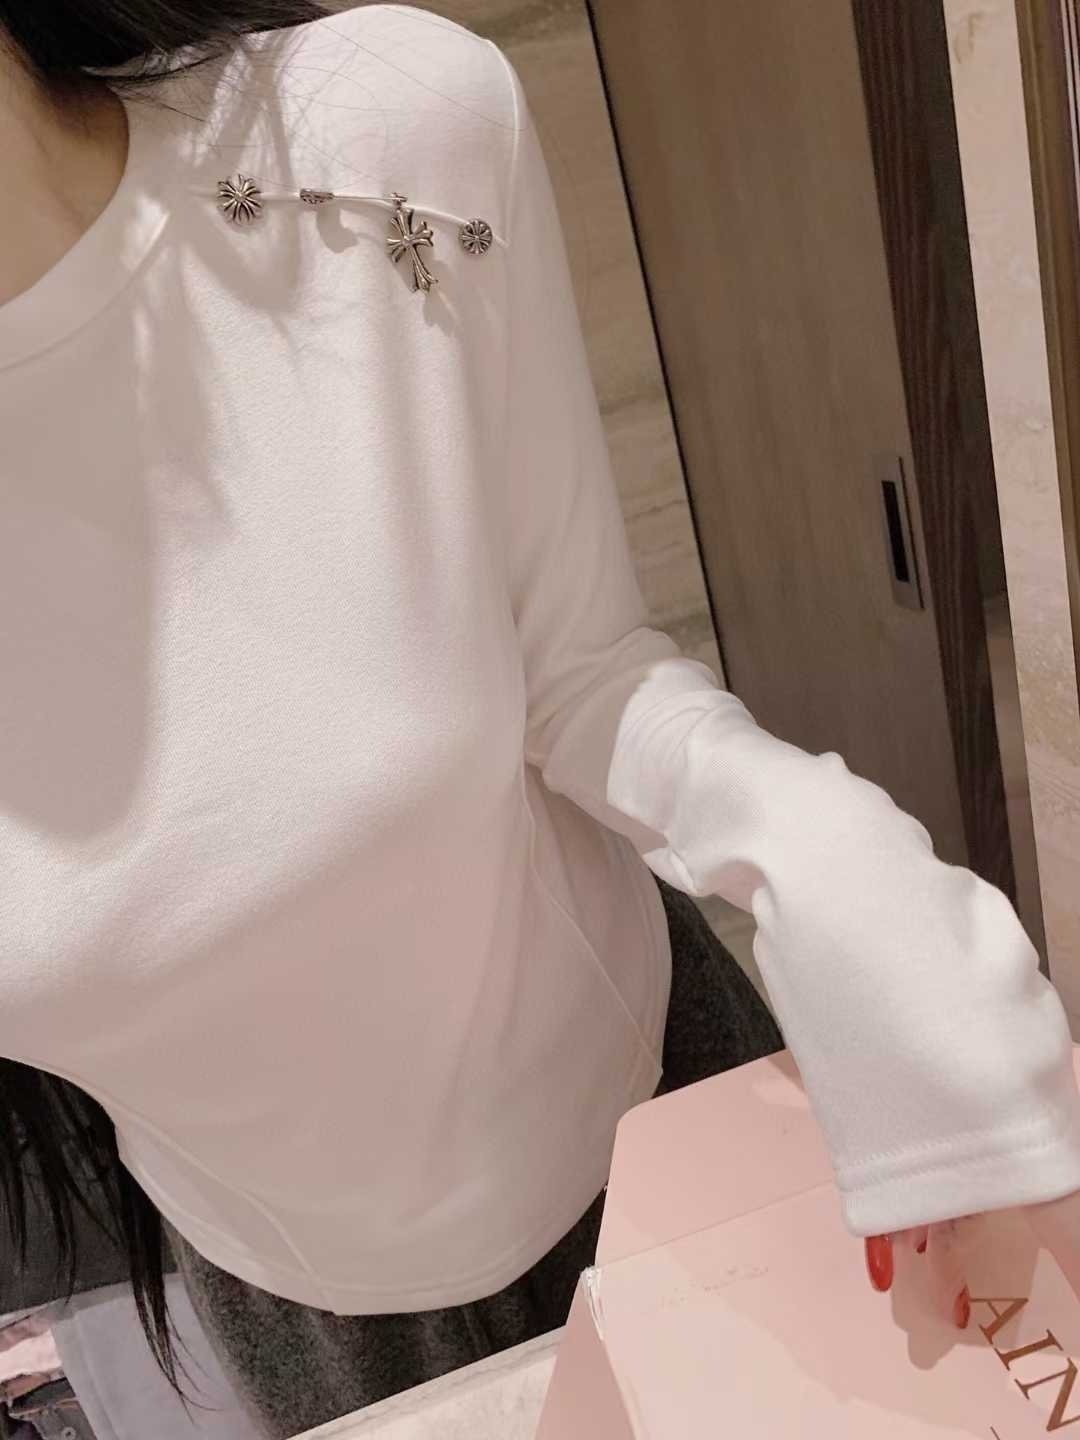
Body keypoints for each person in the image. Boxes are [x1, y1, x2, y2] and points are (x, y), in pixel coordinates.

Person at [3, 1, 1080, 1434]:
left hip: (654, 1113)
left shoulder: (376, 142)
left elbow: (584, 673)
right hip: (296, 1298)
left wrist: (831, 861)